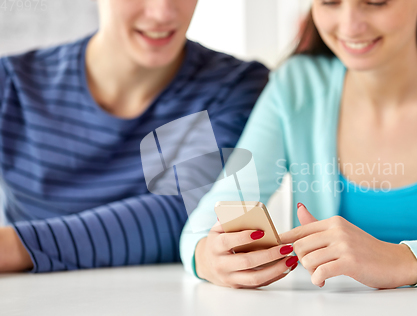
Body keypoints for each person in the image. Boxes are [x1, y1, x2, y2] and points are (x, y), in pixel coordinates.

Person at [180, 0, 417, 289]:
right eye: (330, 2)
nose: (349, 25)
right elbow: (204, 225)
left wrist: (403, 260)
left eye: (375, 2)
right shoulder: (296, 87)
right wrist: (208, 258)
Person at [0, 0, 269, 273]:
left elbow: (192, 212)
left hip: (168, 305)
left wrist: (13, 247)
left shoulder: (236, 86)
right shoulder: (10, 84)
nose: (162, 13)